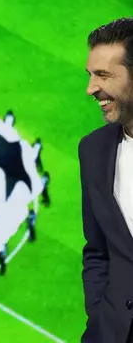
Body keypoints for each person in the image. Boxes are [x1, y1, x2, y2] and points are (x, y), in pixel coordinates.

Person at [80, 17, 133, 343]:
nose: (90, 89)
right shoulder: (93, 150)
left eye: (103, 75)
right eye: (90, 75)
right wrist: (99, 315)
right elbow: (98, 250)